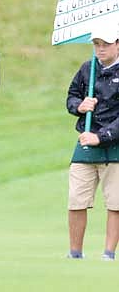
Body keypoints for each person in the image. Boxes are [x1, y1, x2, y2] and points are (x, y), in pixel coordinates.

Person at [65, 24, 119, 260]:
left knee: (115, 203)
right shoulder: (88, 68)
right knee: (76, 199)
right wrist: (79, 106)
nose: (100, 49)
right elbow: (71, 96)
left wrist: (101, 136)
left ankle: (108, 253)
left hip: (113, 145)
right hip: (86, 142)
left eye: (105, 44)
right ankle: (75, 253)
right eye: (96, 44)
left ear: (118, 44)